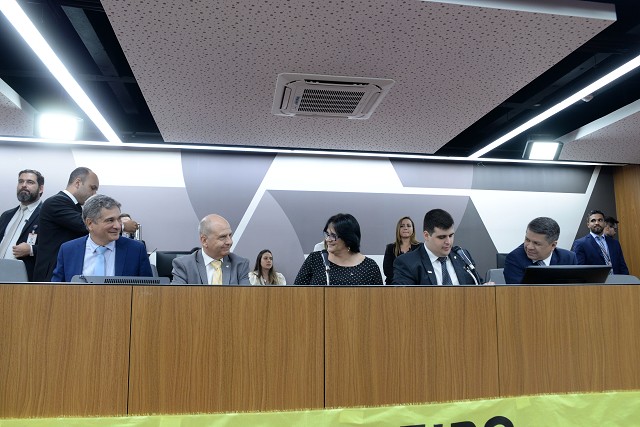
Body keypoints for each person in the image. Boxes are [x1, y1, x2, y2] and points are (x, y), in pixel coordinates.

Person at [51, 195, 153, 282]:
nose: (118, 226)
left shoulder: (135, 250)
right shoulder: (68, 250)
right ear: (90, 223)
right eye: (110, 220)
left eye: (118, 219)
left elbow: (148, 291)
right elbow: (56, 290)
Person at [392, 208, 479, 286]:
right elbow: (402, 296)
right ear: (426, 235)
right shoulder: (407, 263)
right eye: (442, 237)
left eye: (451, 235)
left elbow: (478, 285)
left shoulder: (462, 256)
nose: (448, 242)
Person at [293, 213, 383, 286]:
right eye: (327, 234)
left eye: (333, 236)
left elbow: (379, 298)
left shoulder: (370, 266)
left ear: (348, 238)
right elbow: (296, 292)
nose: (328, 239)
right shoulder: (315, 259)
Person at [171, 214, 250, 284]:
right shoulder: (184, 265)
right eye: (222, 237)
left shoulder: (240, 265)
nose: (229, 241)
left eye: (230, 235)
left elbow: (246, 295)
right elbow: (178, 295)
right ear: (204, 240)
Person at [503, 217, 578, 284]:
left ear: (553, 245)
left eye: (536, 243)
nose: (529, 247)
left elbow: (576, 289)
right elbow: (518, 292)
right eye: (527, 240)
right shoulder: (514, 259)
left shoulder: (569, 258)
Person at [0, 169, 45, 281]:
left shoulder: (46, 215)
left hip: (24, 281)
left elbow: (55, 248)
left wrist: (31, 249)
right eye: (21, 181)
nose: (24, 185)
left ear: (41, 189)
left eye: (30, 182)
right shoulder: (6, 215)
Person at [572, 209, 629, 275]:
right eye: (593, 221)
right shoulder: (580, 244)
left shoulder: (615, 243)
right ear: (588, 225)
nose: (597, 223)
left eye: (600, 220)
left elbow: (623, 267)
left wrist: (626, 280)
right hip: (595, 281)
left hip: (617, 280)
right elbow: (580, 271)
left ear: (604, 223)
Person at [382, 216, 421, 285]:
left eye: (408, 226)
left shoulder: (420, 247)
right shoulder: (390, 248)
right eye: (402, 226)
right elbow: (387, 270)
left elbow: (421, 270)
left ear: (413, 229)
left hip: (415, 286)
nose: (405, 228)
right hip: (394, 285)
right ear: (398, 229)